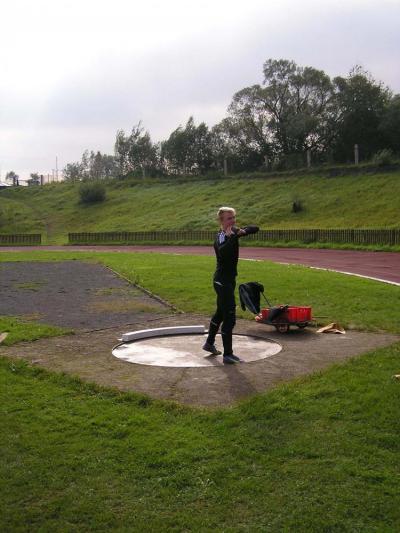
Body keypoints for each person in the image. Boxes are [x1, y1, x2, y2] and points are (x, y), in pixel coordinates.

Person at [203, 207, 259, 364]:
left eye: (233, 217)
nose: (233, 221)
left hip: (228, 280)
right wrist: (232, 238)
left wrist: (242, 231)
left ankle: (209, 343)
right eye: (229, 218)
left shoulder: (233, 231)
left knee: (220, 313)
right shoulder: (221, 237)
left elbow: (255, 228)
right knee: (230, 316)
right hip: (222, 281)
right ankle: (228, 354)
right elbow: (223, 253)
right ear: (221, 221)